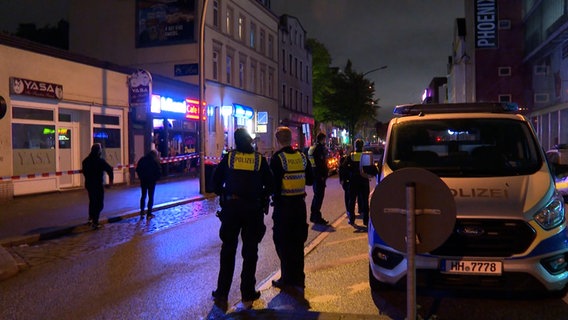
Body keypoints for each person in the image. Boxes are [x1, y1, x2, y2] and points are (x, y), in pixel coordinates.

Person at [211, 128, 273, 312]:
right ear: (250, 141)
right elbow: (271, 184)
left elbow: (215, 182)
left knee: (228, 251)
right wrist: (260, 195)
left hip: (231, 209)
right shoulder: (259, 159)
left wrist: (223, 192)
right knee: (250, 251)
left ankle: (222, 293)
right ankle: (247, 291)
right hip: (253, 210)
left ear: (236, 142)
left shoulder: (229, 158)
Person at [270, 126, 313, 297]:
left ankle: (287, 278)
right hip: (299, 206)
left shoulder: (277, 159)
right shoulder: (302, 157)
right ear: (291, 139)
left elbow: (273, 185)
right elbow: (310, 180)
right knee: (297, 243)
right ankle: (299, 279)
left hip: (283, 207)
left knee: (282, 242)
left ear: (277, 140)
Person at [82, 143, 114, 230]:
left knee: (92, 201)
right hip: (97, 185)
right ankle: (95, 222)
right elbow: (109, 169)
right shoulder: (100, 161)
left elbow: (85, 173)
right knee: (99, 204)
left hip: (89, 184)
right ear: (98, 151)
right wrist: (111, 181)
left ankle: (91, 218)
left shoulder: (85, 161)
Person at [345, 139, 371, 226]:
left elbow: (344, 167)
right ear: (362, 146)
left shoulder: (351, 156)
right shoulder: (365, 155)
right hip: (364, 181)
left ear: (355, 146)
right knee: (365, 201)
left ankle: (352, 219)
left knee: (352, 200)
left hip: (354, 181)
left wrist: (348, 178)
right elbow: (370, 168)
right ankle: (366, 221)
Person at [307, 132, 329, 225]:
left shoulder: (312, 148)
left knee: (316, 197)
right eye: (324, 139)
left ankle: (313, 216)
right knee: (319, 197)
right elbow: (321, 164)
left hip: (314, 175)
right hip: (319, 176)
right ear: (322, 139)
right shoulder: (319, 149)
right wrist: (324, 175)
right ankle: (316, 217)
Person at [136, 149, 161, 219]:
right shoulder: (155, 161)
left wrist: (141, 177)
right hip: (151, 182)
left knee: (143, 196)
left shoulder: (142, 159)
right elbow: (159, 171)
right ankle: (149, 214)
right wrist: (156, 179)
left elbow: (138, 169)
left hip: (143, 181)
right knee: (150, 197)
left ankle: (142, 212)